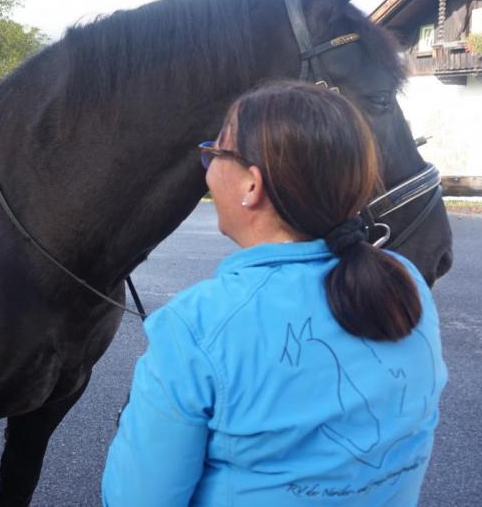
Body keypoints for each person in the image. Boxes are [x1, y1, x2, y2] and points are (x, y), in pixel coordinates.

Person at [102, 81, 446, 506]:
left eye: (216, 153)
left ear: (252, 185)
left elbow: (137, 499)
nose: (207, 166)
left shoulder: (195, 328)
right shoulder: (405, 284)